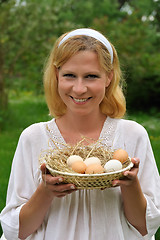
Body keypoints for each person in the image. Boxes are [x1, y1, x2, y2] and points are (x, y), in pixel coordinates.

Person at [0, 28, 160, 240]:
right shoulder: (34, 138)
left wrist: (131, 186)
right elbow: (16, 231)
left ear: (109, 78)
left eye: (91, 76)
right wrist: (46, 191)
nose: (79, 88)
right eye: (69, 75)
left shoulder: (132, 135)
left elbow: (145, 227)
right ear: (57, 76)